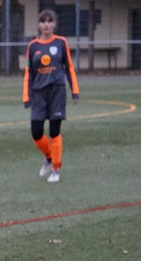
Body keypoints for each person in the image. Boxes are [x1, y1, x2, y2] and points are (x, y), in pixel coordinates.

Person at [23, 9, 80, 183]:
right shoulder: (32, 46)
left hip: (57, 91)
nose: (46, 25)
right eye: (43, 21)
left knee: (55, 131)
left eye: (50, 21)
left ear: (54, 24)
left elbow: (69, 68)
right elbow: (28, 72)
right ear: (39, 25)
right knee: (36, 133)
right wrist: (26, 96)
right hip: (38, 93)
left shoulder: (61, 43)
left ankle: (55, 168)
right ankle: (49, 157)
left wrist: (75, 91)